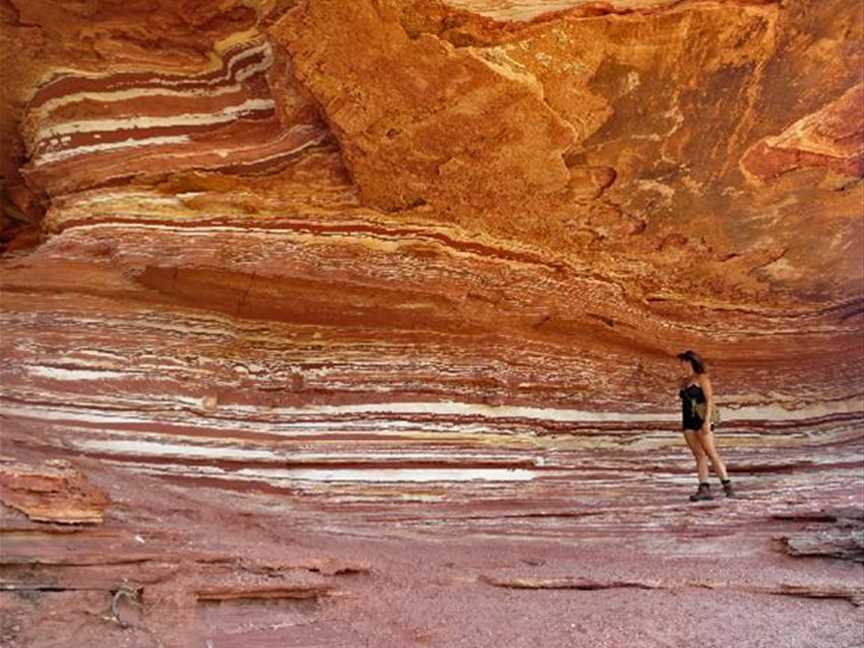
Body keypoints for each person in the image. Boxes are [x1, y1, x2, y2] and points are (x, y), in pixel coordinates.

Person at [677, 350, 734, 501]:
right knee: (699, 455)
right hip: (688, 420)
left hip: (702, 419)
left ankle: (727, 486)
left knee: (711, 453)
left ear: (689, 362)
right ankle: (704, 488)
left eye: (682, 361)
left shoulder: (702, 378)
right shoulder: (683, 381)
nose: (680, 364)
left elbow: (709, 400)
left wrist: (707, 421)